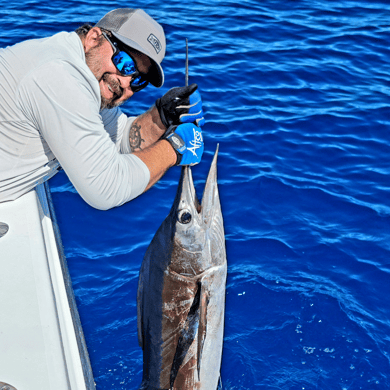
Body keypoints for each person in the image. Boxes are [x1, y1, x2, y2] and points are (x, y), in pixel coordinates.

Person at [0, 8, 205, 210]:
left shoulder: (83, 69)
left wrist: (161, 117)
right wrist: (175, 148)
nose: (126, 83)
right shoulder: (60, 78)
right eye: (125, 63)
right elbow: (106, 188)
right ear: (94, 37)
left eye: (139, 80)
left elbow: (119, 137)